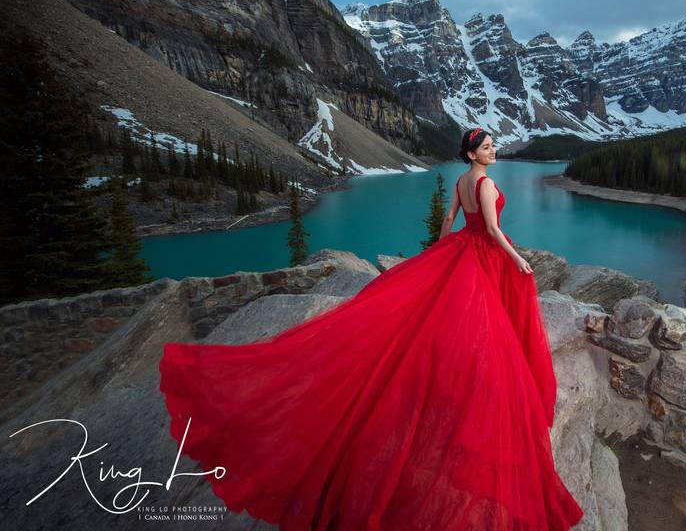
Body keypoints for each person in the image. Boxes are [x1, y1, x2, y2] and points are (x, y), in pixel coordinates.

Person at [158, 127, 585, 530]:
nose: (494, 150)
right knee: (483, 323)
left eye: (493, 145)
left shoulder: (459, 183)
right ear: (472, 153)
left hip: (459, 253)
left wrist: (436, 256)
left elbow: (448, 222)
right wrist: (517, 260)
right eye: (488, 146)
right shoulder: (487, 185)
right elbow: (492, 230)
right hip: (484, 257)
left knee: (446, 318)